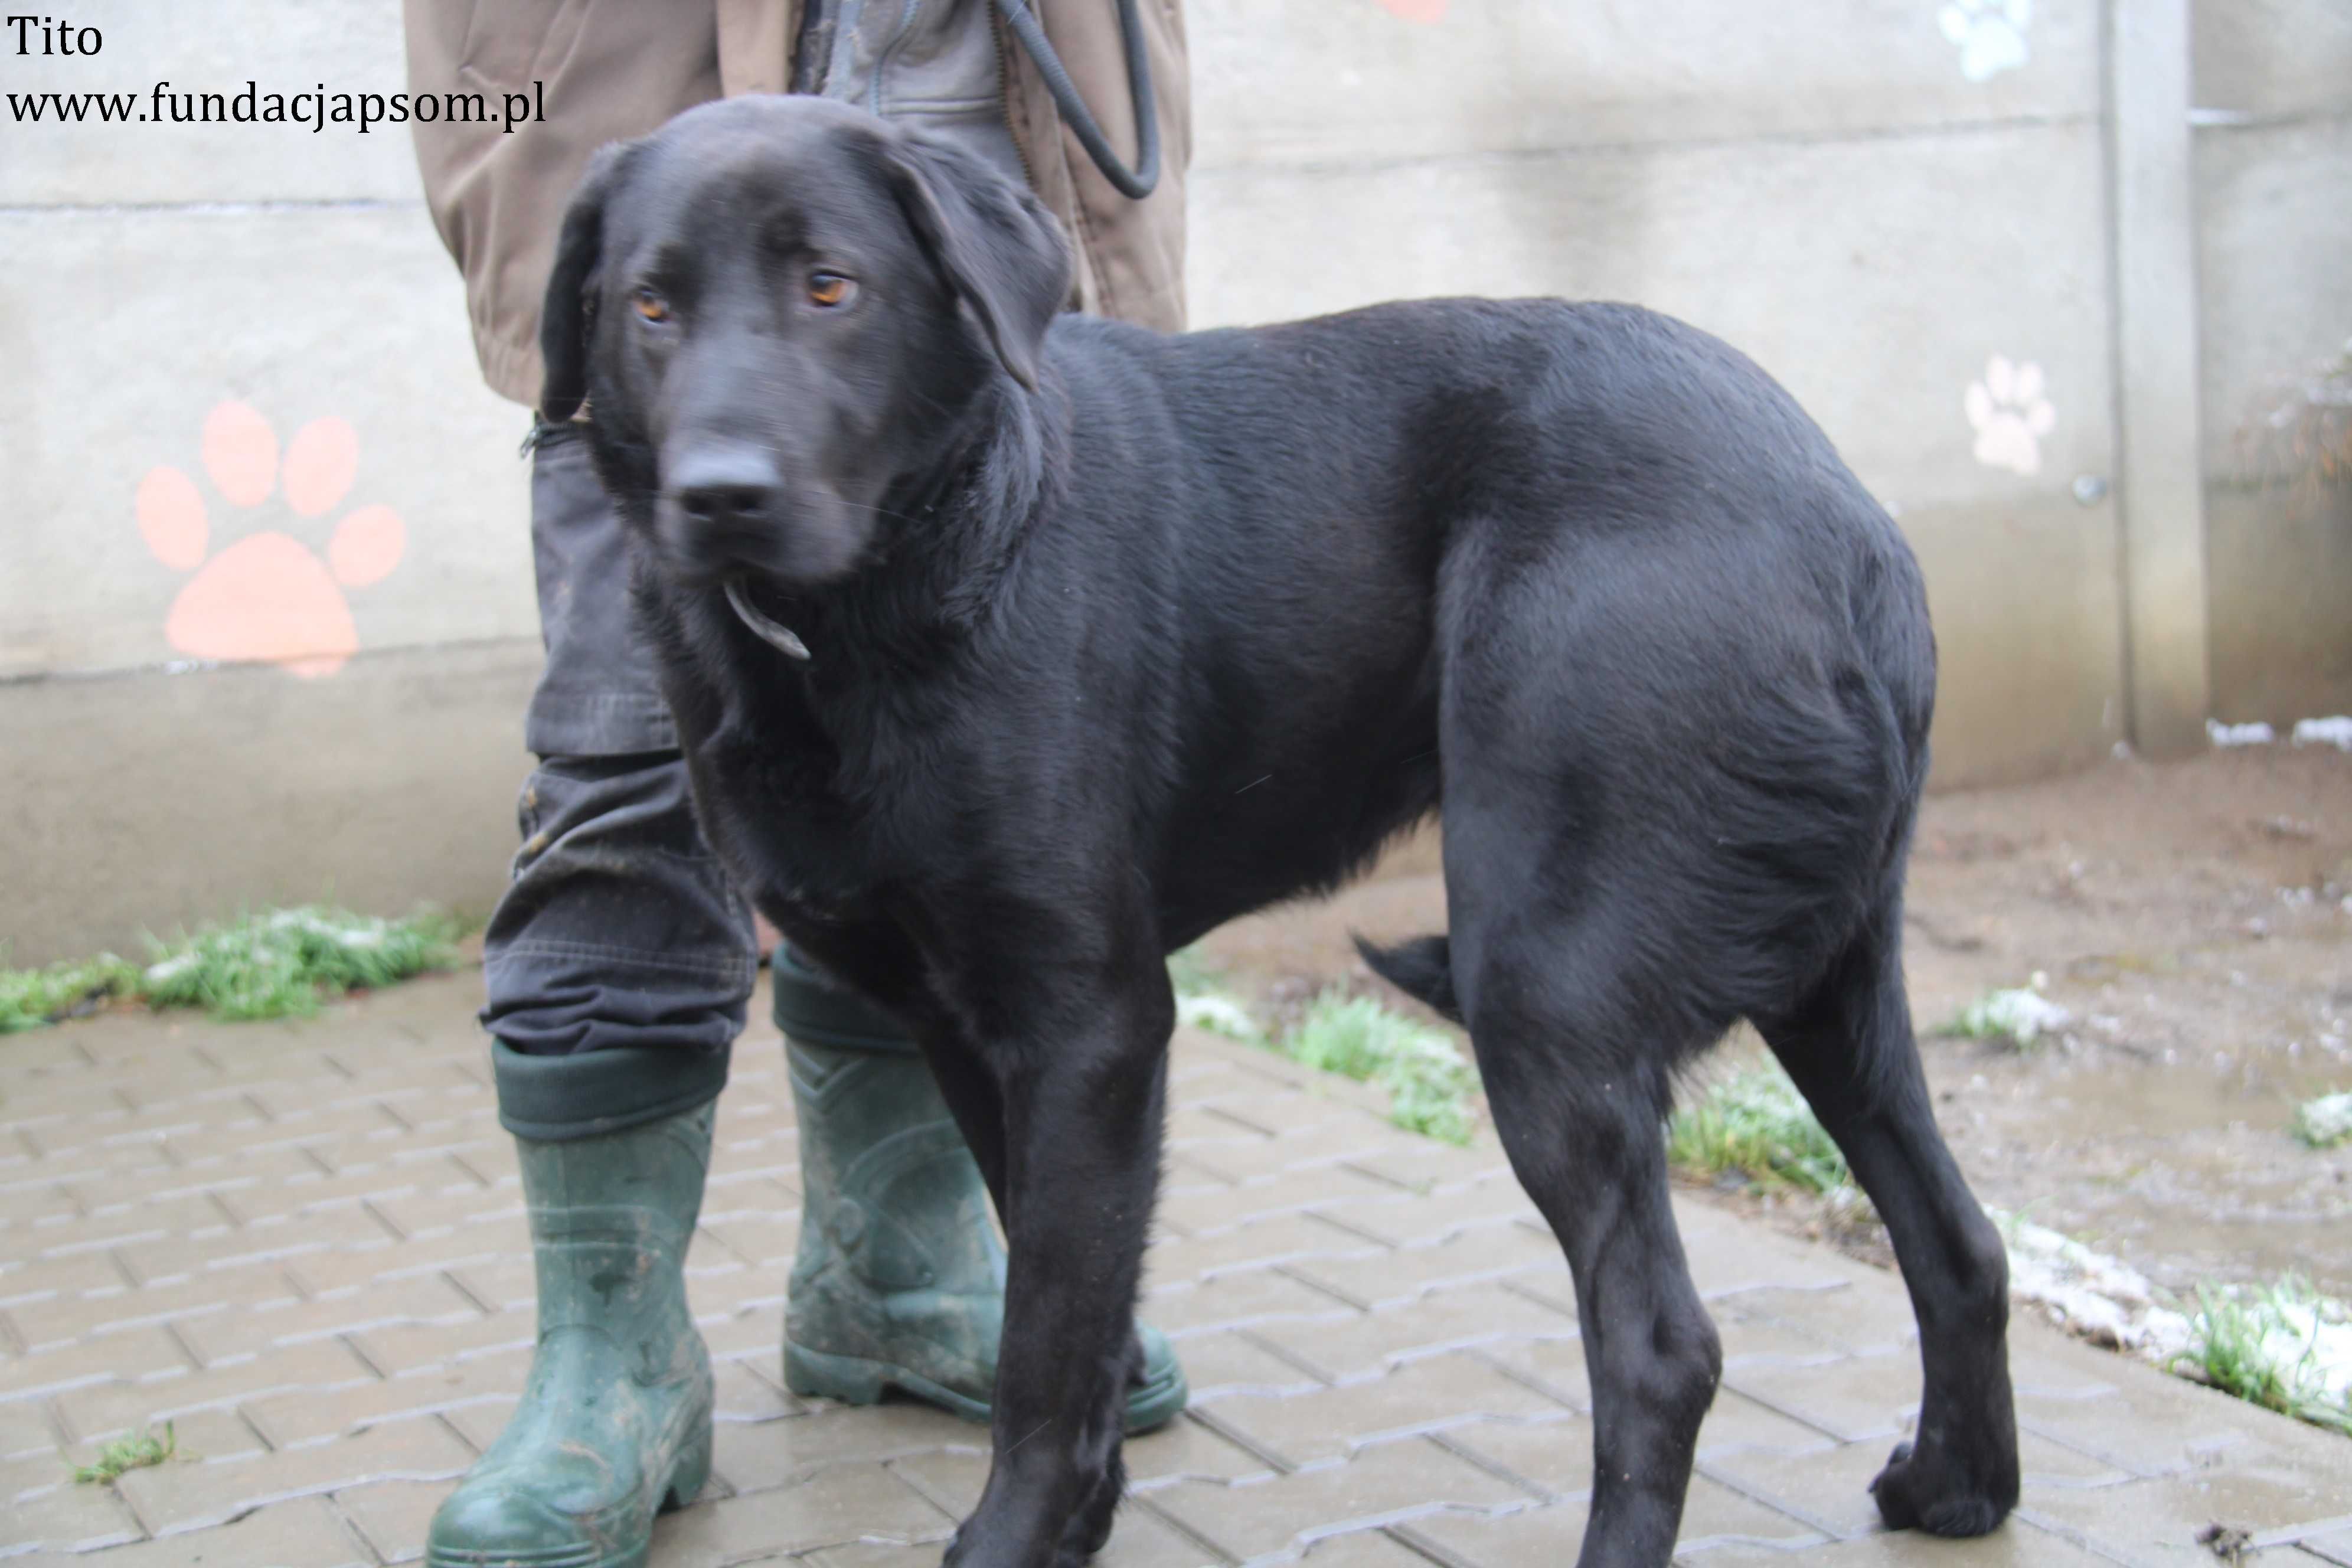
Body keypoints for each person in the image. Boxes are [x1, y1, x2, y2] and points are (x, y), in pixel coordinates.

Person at [400, 4, 1191, 1560]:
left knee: (955, 831)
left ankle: (892, 1278)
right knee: (623, 784)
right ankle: (608, 1365)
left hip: (990, 120)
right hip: (630, 93)